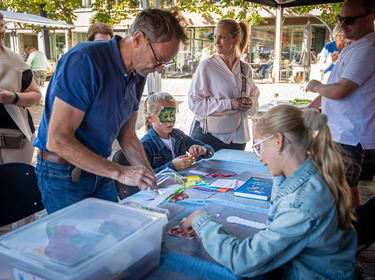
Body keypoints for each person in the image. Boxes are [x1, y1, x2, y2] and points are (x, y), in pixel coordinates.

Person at [33, 9, 188, 214]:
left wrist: (155, 182)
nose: (160, 69)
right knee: (74, 245)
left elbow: (128, 135)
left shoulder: (138, 72)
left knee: (110, 236)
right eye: (159, 59)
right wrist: (121, 172)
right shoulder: (85, 61)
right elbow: (57, 139)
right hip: (63, 172)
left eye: (165, 63)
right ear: (139, 39)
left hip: (100, 169)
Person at [183, 105, 359, 279]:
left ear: (278, 141)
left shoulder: (301, 203)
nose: (259, 157)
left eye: (259, 146)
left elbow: (243, 260)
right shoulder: (311, 173)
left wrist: (202, 220)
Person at [306, 0, 375, 207]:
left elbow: (339, 90)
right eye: (340, 19)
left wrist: (316, 86)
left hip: (349, 136)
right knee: (345, 189)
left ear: (370, 18)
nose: (342, 25)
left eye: (349, 20)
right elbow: (334, 88)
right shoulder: (354, 45)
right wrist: (307, 109)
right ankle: (352, 232)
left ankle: (346, 236)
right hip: (339, 132)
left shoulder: (368, 48)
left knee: (337, 194)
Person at [188, 19, 260, 152]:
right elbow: (194, 103)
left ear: (235, 40)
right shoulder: (207, 66)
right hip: (209, 137)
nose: (216, 41)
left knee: (236, 173)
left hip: (238, 138)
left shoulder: (245, 69)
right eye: (215, 37)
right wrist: (229, 104)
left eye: (222, 37)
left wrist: (249, 104)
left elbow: (254, 103)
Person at [0, 13, 41, 164]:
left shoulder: (14, 60)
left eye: (2, 25)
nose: (1, 31)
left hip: (15, 138)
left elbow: (36, 95)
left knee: (14, 183)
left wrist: (13, 97)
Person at [142, 92, 214, 174]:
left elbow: (210, 150)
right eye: (165, 116)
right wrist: (173, 166)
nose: (170, 121)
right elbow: (146, 176)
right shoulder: (145, 145)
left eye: (172, 115)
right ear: (150, 118)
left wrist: (202, 150)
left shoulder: (179, 136)